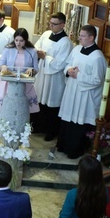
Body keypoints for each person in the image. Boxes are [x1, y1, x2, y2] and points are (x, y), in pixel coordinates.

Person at [56, 25, 107, 158]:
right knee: (68, 119)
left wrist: (78, 75)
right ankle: (62, 145)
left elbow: (97, 80)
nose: (80, 38)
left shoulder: (97, 57)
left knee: (79, 121)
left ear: (91, 38)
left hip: (85, 96)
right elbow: (67, 63)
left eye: (83, 36)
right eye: (80, 35)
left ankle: (75, 150)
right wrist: (69, 70)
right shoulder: (77, 49)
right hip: (72, 90)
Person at [33, 12, 72, 141]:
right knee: (39, 100)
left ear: (62, 25)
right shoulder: (45, 34)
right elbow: (36, 46)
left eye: (54, 24)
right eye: (50, 23)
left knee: (51, 105)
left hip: (54, 78)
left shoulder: (66, 43)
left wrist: (46, 57)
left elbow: (61, 63)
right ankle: (38, 127)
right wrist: (38, 52)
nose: (51, 26)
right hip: (42, 74)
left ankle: (51, 131)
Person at [0, 27, 40, 116]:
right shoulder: (8, 49)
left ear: (26, 40)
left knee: (22, 110)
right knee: (6, 108)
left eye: (21, 41)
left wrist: (32, 70)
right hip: (9, 82)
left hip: (25, 83)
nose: (18, 43)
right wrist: (3, 67)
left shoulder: (32, 51)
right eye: (16, 40)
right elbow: (0, 64)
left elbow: (36, 69)